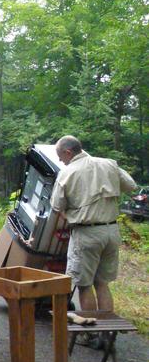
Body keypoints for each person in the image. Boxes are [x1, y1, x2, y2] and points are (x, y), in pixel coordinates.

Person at [51, 135, 136, 317]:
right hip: (111, 232)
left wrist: (72, 216)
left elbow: (57, 207)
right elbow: (131, 185)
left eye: (60, 156)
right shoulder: (108, 164)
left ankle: (89, 332)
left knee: (84, 285)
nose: (60, 160)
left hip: (87, 234)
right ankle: (106, 335)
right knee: (102, 283)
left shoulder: (67, 173)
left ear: (68, 152)